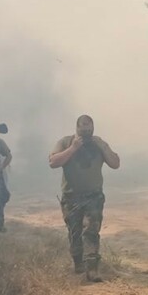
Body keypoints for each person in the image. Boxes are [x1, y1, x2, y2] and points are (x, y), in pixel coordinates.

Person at [48, 115, 120, 283]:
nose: (87, 133)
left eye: (90, 130)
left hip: (93, 196)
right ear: (77, 128)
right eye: (83, 130)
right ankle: (78, 262)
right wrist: (73, 148)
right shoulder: (66, 142)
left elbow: (115, 163)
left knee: (91, 231)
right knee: (75, 232)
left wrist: (103, 146)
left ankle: (92, 268)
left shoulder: (98, 144)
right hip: (71, 197)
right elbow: (53, 162)